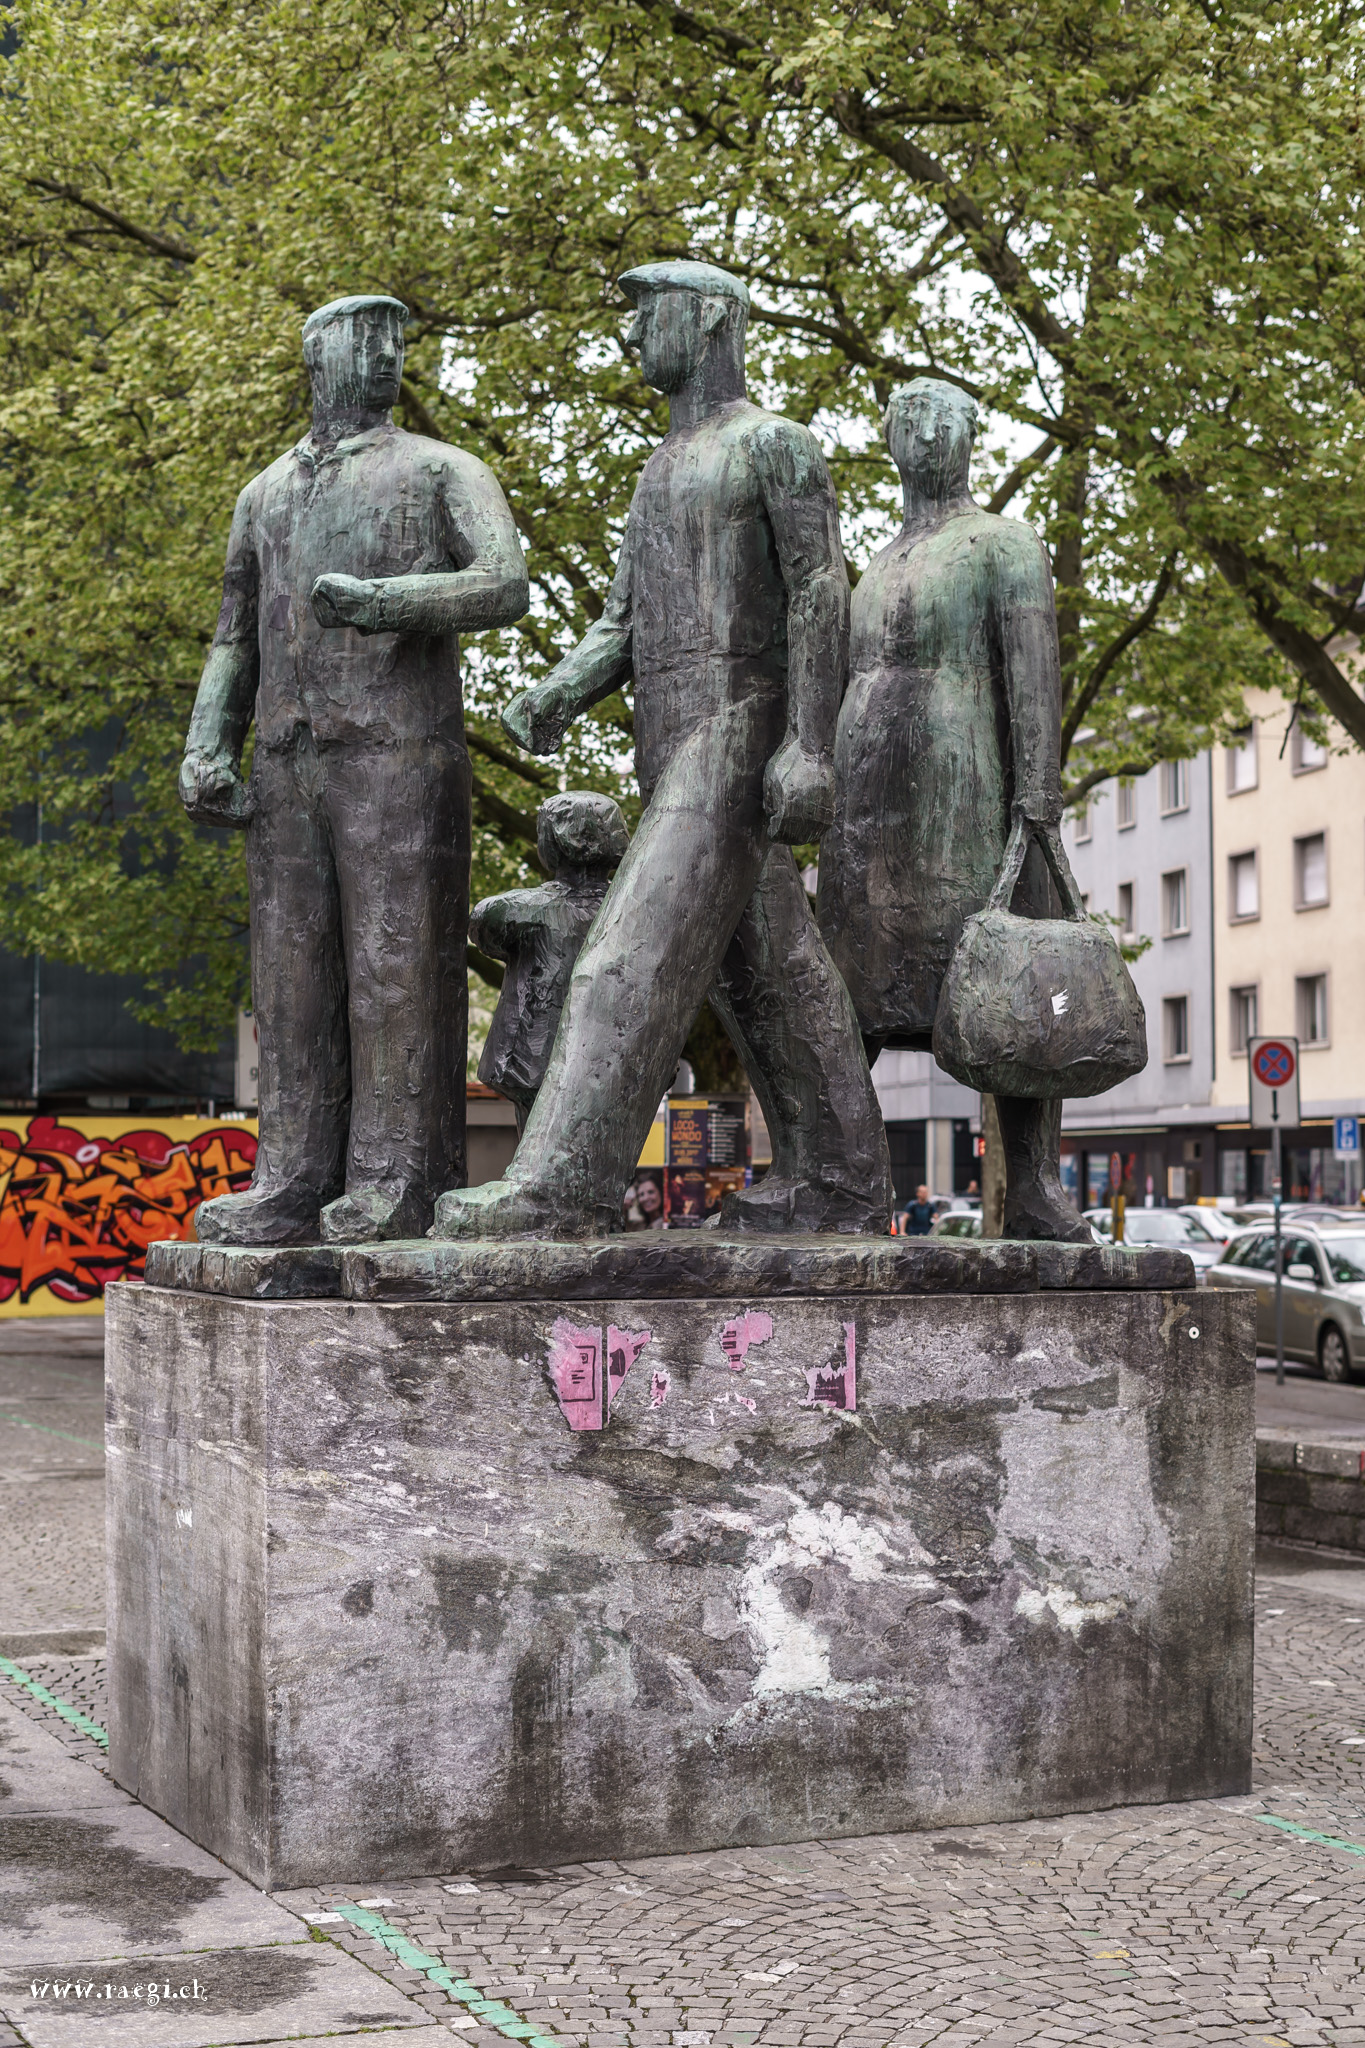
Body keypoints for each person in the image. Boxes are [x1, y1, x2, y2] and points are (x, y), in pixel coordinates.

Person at [433, 260, 891, 1240]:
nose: (631, 334)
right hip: (669, 740)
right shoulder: (657, 469)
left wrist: (810, 746)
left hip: (738, 727)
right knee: (775, 978)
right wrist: (559, 690)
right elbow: (623, 621)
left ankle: (562, 1183)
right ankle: (844, 1177)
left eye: (649, 314)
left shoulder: (773, 444)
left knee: (622, 955)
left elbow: (820, 592)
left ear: (711, 317)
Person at [179, 293, 527, 1245]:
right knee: (291, 978)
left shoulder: (441, 469)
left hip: (397, 752)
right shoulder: (263, 494)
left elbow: (503, 582)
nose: (386, 355)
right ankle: (292, 1178)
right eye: (365, 338)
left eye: (397, 341)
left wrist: (386, 603)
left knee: (395, 967)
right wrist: (208, 742)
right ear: (317, 354)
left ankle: (396, 1180)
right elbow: (234, 636)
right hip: (286, 762)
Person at [818, 378, 1088, 1242]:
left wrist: (1036, 801)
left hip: (966, 798)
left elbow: (1033, 676)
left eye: (942, 417)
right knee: (847, 997)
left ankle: (1035, 1187)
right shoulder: (875, 562)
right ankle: (843, 1180)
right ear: (889, 438)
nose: (925, 432)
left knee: (1009, 990)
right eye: (908, 417)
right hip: (868, 813)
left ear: (971, 435)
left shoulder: (1003, 542)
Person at [471, 792, 629, 1133]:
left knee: (538, 1141)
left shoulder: (521, 910)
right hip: (614, 1057)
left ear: (552, 842)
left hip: (534, 1060)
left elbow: (484, 925)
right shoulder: (634, 911)